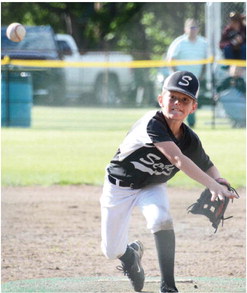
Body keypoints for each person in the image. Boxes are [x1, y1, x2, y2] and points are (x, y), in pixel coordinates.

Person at [100, 71, 238, 293]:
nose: (177, 103)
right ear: (161, 99)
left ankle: (168, 287)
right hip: (119, 187)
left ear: (193, 107)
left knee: (161, 220)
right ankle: (130, 256)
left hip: (152, 186)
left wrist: (218, 179)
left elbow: (207, 164)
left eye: (185, 100)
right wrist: (211, 185)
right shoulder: (152, 124)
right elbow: (177, 159)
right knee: (110, 250)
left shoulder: (189, 139)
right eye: (172, 97)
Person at [166, 19, 207, 128]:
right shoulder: (179, 42)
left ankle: (190, 125)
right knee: (176, 102)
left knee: (191, 102)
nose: (193, 30)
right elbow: (171, 59)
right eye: (190, 27)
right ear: (185, 29)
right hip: (180, 79)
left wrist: (202, 75)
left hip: (195, 79)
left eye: (195, 27)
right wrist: (176, 76)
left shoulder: (203, 43)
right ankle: (171, 122)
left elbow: (206, 61)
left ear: (198, 29)